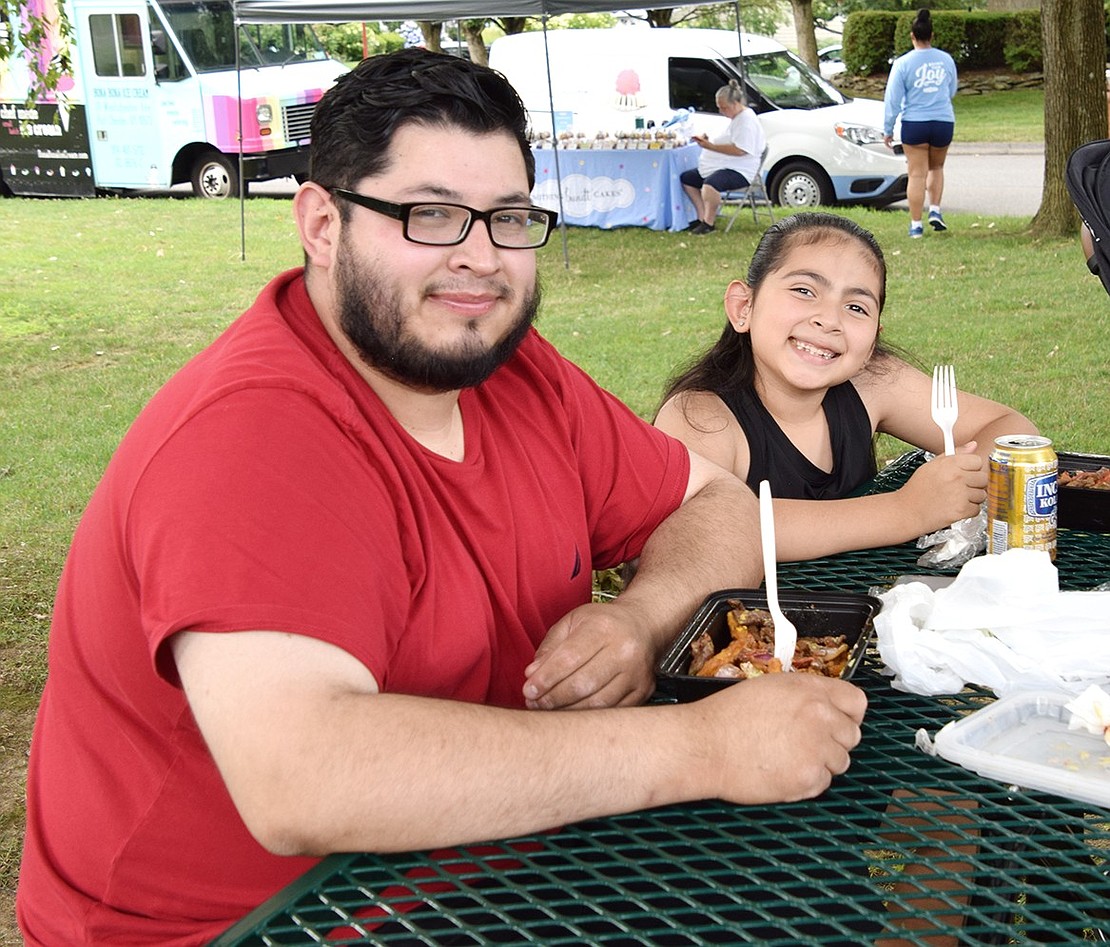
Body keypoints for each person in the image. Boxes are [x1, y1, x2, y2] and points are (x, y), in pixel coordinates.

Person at [17, 50, 869, 946]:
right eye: (429, 215)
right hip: (260, 925)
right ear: (320, 222)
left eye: (506, 218)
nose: (480, 259)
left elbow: (719, 505)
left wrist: (641, 620)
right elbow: (304, 777)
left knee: (826, 893)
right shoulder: (253, 433)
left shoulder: (502, 366)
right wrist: (705, 750)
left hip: (488, 862)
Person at [654, 212, 1038, 562]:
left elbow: (1013, 429)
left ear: (872, 342)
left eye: (856, 307)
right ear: (744, 307)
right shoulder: (702, 415)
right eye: (804, 290)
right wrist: (908, 510)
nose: (828, 320)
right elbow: (712, 527)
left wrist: (963, 481)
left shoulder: (871, 382)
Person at [882, 8, 958, 238]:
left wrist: (888, 129)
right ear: (931, 36)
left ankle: (916, 225)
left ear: (912, 36)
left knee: (916, 174)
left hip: (914, 123)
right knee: (937, 167)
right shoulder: (946, 60)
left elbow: (892, 99)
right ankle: (935, 209)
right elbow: (952, 89)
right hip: (943, 121)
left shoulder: (903, 63)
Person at [680, 79, 767, 235]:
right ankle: (701, 216)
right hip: (723, 165)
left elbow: (741, 150)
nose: (722, 111)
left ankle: (709, 222)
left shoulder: (746, 121)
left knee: (710, 185)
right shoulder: (734, 118)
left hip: (740, 169)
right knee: (688, 179)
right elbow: (724, 136)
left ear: (735, 104)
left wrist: (711, 147)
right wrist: (707, 138)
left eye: (724, 108)